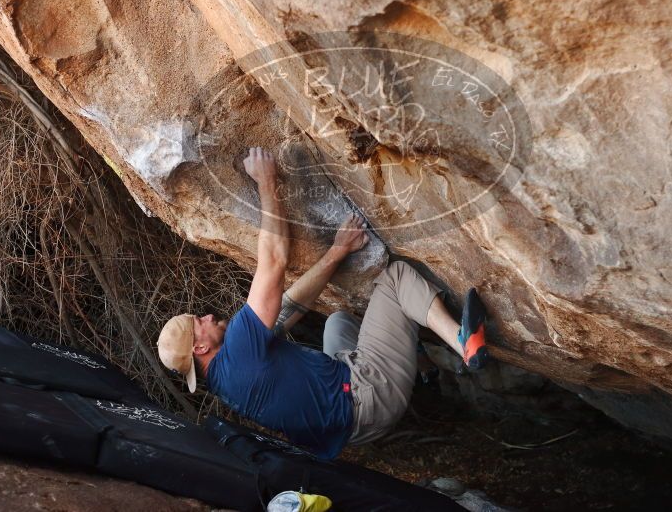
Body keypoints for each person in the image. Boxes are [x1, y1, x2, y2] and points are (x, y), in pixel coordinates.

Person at [157, 147, 490, 459]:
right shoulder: (240, 349)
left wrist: (338, 251)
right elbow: (274, 259)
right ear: (199, 348)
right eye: (199, 321)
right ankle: (463, 343)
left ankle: (422, 363)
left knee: (339, 323)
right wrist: (266, 180)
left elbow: (290, 305)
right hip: (368, 395)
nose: (208, 315)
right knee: (398, 278)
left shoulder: (225, 380)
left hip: (351, 429)